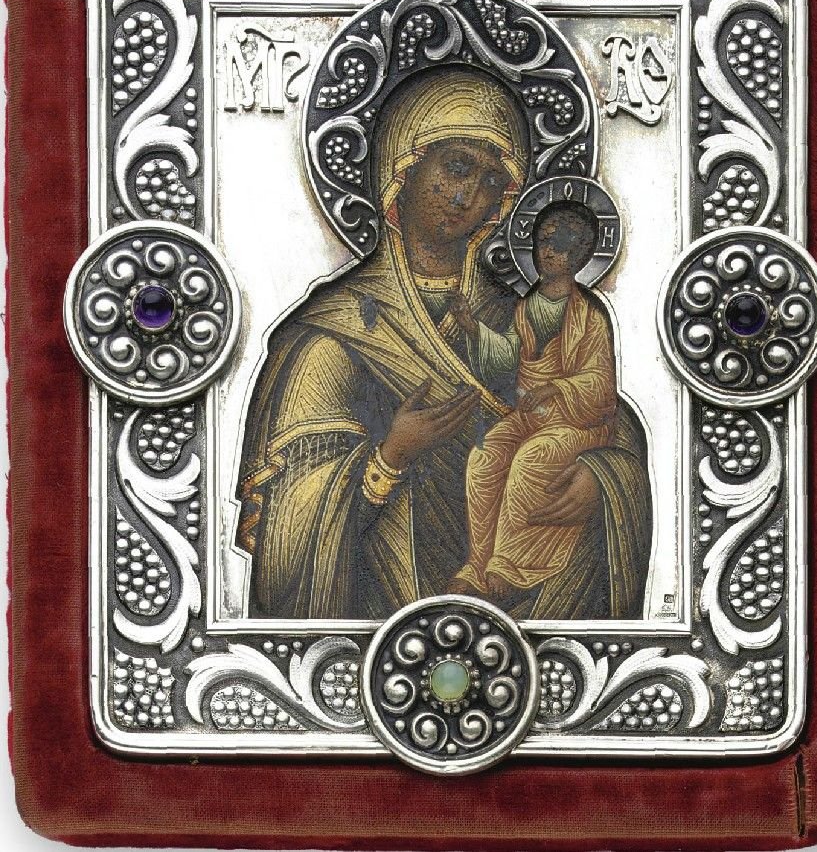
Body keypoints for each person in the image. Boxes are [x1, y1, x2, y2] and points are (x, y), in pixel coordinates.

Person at [236, 65, 652, 620]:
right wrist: (389, 457)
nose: (468, 195)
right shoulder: (329, 334)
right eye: (456, 167)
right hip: (377, 622)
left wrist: (604, 481)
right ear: (401, 170)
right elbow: (286, 537)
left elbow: (603, 416)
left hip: (526, 614)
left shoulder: (517, 314)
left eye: (491, 182)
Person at [448, 204, 618, 603]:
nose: (548, 253)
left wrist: (558, 387)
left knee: (530, 460)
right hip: (530, 415)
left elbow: (601, 383)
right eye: (543, 242)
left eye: (559, 246)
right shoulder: (527, 306)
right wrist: (473, 328)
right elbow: (511, 355)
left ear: (579, 256)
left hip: (577, 423)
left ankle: (511, 567)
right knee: (485, 456)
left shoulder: (590, 317)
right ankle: (478, 563)